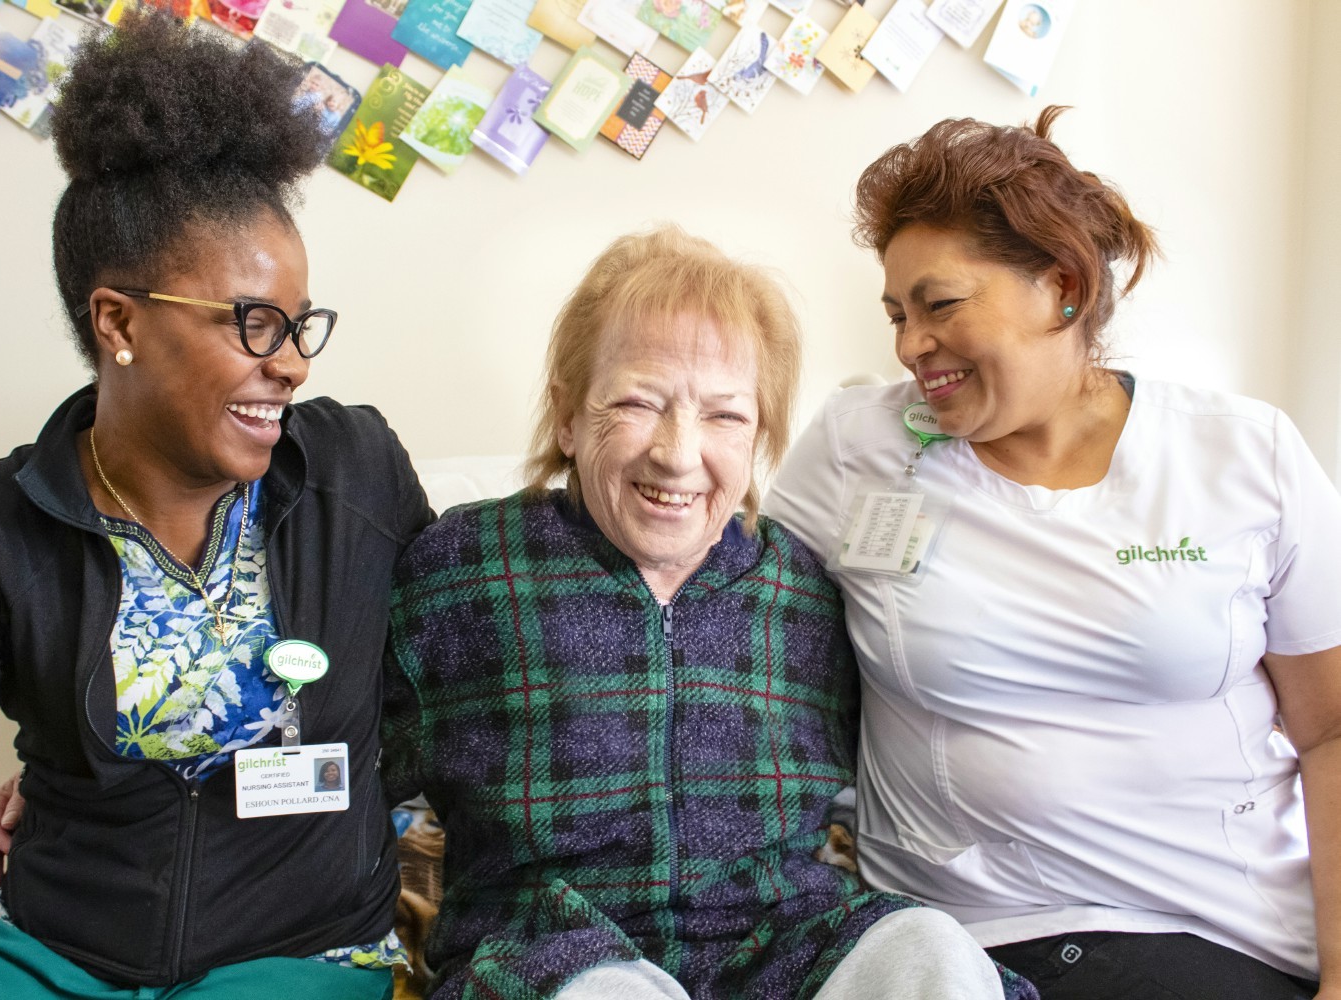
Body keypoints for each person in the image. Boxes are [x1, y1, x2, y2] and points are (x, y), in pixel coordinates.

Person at [0, 12, 428, 1000]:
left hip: (300, 958)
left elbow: (451, 699)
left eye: (299, 325)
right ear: (117, 321)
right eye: (253, 324)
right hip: (45, 953)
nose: (289, 362)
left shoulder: (353, 471)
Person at [764, 107, 1340, 1000]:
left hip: (1216, 933)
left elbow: (1332, 731)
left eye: (940, 305)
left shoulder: (1244, 455)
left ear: (1064, 288)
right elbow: (739, 652)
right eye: (896, 315)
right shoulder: (855, 446)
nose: (910, 345)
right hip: (956, 943)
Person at [381, 226, 1037, 1000]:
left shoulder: (806, 589)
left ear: (761, 432)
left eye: (726, 416)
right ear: (566, 414)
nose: (678, 453)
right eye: (637, 402)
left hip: (785, 945)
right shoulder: (462, 570)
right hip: (551, 957)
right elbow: (357, 776)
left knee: (929, 949)